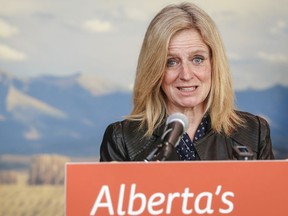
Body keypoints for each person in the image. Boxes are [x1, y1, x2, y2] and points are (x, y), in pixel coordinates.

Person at [99, 2, 274, 161]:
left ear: (214, 64)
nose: (186, 74)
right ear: (154, 70)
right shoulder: (122, 139)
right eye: (171, 62)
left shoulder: (253, 132)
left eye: (197, 59)